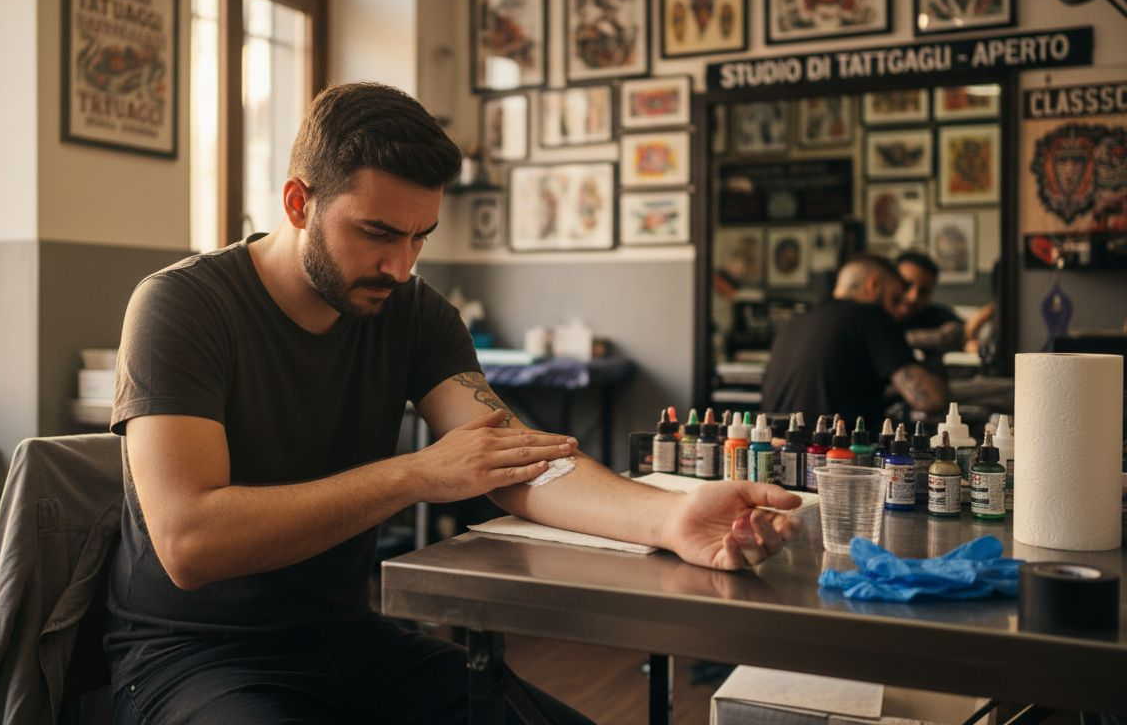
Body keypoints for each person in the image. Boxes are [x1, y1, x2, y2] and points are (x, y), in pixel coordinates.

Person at [105, 82, 801, 724]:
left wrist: (675, 517)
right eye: (378, 233)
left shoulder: (411, 312)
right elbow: (190, 542)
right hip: (195, 655)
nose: (401, 267)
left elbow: (513, 459)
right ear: (298, 203)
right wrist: (417, 473)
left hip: (349, 638)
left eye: (420, 238)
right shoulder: (181, 305)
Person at [761, 253, 949, 427]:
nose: (899, 311)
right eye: (895, 299)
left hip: (773, 451)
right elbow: (930, 400)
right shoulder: (872, 317)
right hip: (834, 455)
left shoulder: (794, 323)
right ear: (873, 286)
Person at [895, 251, 965, 377]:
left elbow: (957, 332)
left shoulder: (935, 314)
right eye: (906, 285)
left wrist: (900, 339)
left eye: (923, 291)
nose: (913, 297)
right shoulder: (873, 316)